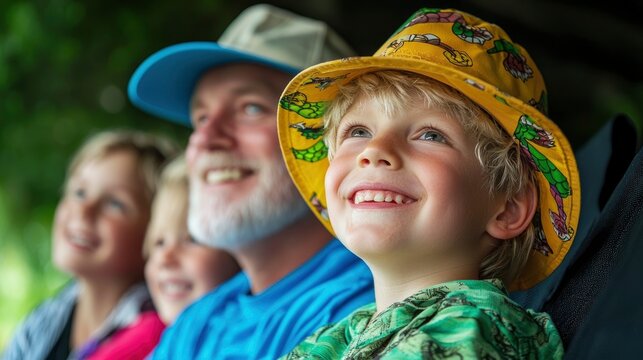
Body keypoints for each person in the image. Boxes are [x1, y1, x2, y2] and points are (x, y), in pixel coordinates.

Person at [277, 7, 581, 358]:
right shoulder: (338, 336)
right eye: (358, 131)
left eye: (430, 135)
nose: (375, 150)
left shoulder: (473, 327)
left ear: (508, 207)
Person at [127, 4, 374, 359]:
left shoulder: (366, 308)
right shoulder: (199, 320)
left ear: (342, 139)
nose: (205, 138)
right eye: (200, 116)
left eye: (250, 108)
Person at [2, 130, 178, 360]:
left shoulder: (159, 336)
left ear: (156, 231)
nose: (84, 210)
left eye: (115, 204)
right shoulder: (43, 321)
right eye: (79, 192)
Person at [85, 155, 241, 359]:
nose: (166, 258)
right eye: (158, 243)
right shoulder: (159, 337)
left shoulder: (234, 340)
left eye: (192, 240)